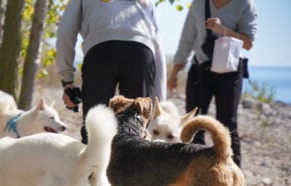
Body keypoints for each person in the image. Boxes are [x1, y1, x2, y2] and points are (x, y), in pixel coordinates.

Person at [56, 0, 166, 143]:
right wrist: (160, 100)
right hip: (142, 51)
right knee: (137, 128)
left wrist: (67, 79)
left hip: (101, 51)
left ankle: (94, 162)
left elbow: (65, 31)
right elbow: (157, 44)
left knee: (94, 130)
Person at [168, 0, 257, 167]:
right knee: (193, 124)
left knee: (227, 125)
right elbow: (187, 38)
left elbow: (248, 42)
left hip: (230, 73)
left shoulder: (245, 4)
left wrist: (224, 31)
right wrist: (175, 72)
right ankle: (193, 174)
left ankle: (233, 178)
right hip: (200, 71)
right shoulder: (199, 3)